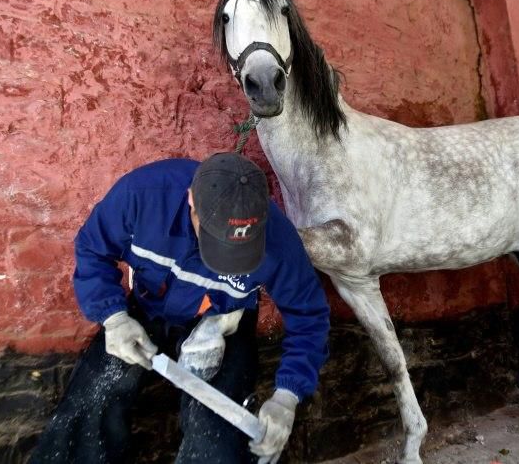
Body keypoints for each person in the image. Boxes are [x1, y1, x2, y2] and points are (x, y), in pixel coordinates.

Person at [29, 153, 330, 464]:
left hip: (224, 322)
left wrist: (287, 397)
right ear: (191, 202)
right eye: (216, 241)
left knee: (214, 439)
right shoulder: (142, 196)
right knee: (88, 409)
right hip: (147, 308)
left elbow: (309, 317)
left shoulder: (279, 242)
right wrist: (114, 318)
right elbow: (93, 248)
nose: (227, 257)